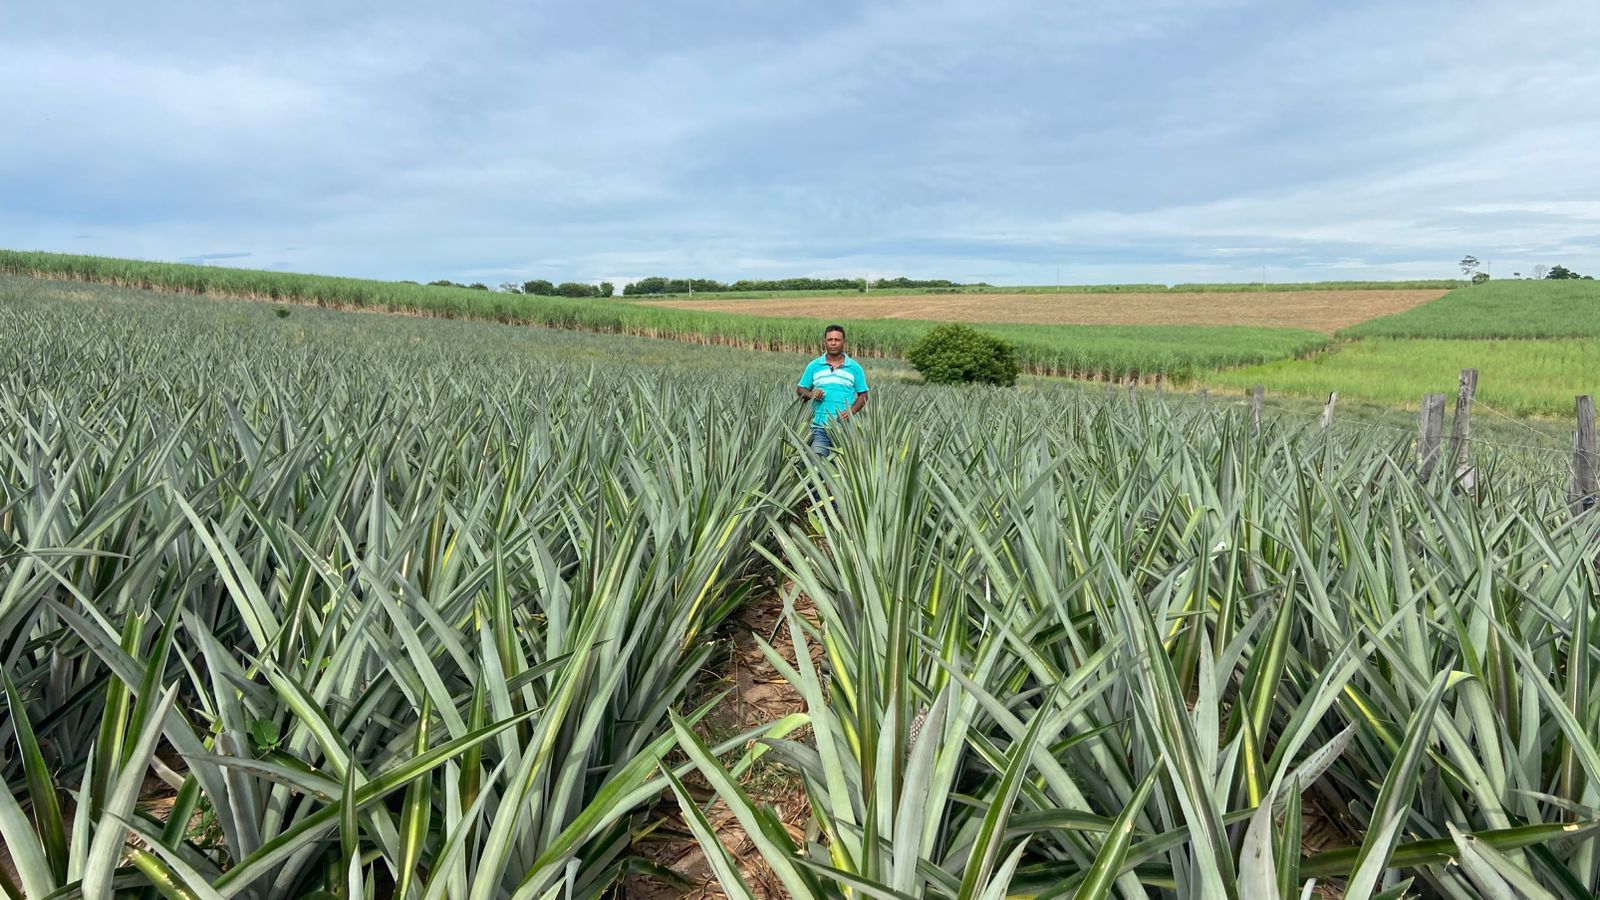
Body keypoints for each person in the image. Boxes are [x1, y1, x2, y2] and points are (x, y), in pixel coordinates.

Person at [795, 324, 868, 457]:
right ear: (825, 342)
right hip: (818, 427)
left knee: (841, 469)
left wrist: (851, 411)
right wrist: (811, 394)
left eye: (837, 340)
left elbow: (863, 394)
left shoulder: (855, 368)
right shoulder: (814, 366)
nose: (833, 343)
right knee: (817, 464)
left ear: (843, 342)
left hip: (844, 429)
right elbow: (800, 389)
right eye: (830, 340)